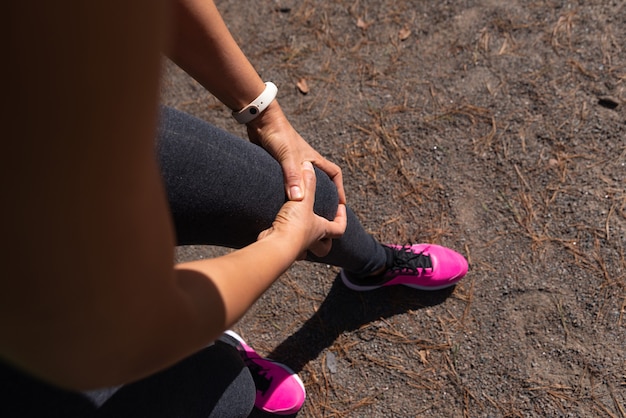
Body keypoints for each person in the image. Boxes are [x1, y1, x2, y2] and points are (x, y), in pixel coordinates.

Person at [2, 0, 468, 416]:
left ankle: (374, 266)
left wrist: (266, 115)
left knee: (312, 195)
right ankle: (207, 350)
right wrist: (285, 243)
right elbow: (122, 325)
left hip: (64, 143)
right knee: (225, 390)